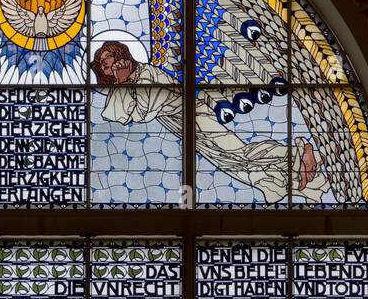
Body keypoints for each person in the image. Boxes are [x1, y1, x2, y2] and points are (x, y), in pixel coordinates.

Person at [92, 40, 327, 203]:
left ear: (121, 56)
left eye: (108, 59)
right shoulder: (131, 81)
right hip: (181, 125)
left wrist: (124, 83)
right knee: (232, 165)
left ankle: (300, 152)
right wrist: (122, 84)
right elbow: (117, 114)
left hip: (196, 116)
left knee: (240, 153)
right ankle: (288, 179)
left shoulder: (148, 74)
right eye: (103, 66)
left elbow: (143, 111)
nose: (107, 66)